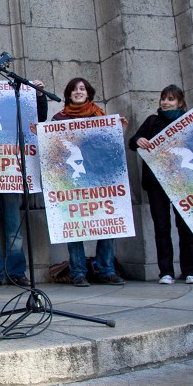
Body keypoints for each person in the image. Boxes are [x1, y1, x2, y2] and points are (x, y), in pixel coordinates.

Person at [51, 77, 128, 287]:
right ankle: (77, 273)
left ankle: (106, 270)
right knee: (75, 225)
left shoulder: (101, 116)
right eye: (74, 89)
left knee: (107, 223)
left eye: (82, 88)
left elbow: (110, 149)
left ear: (89, 93)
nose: (78, 92)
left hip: (99, 179)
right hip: (72, 180)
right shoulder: (58, 119)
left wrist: (118, 131)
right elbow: (54, 152)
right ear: (68, 94)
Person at [0, 79, 48, 289]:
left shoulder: (14, 110)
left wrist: (39, 96)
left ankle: (16, 272)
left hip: (10, 173)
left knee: (14, 226)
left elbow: (38, 119)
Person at [128, 85, 193, 285]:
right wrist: (139, 140)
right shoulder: (152, 121)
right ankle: (166, 271)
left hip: (183, 182)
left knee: (185, 226)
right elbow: (133, 142)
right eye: (163, 98)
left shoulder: (189, 121)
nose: (165, 102)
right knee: (161, 227)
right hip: (157, 183)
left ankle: (190, 270)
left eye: (170, 99)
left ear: (180, 103)